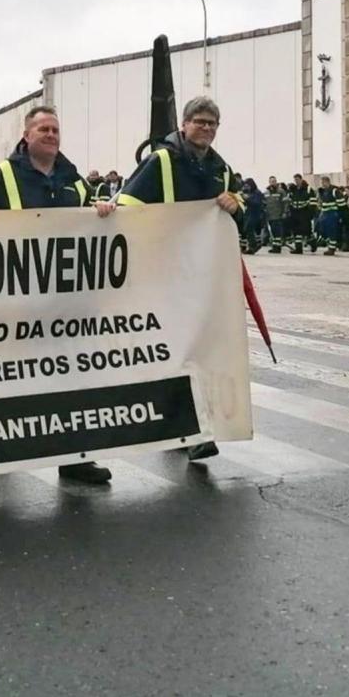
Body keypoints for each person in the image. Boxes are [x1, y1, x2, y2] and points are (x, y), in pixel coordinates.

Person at [0, 105, 115, 486]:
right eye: (43, 129)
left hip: (66, 302)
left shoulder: (73, 178)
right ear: (27, 133)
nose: (51, 135)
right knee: (9, 380)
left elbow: (93, 226)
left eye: (55, 129)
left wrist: (102, 211)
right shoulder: (3, 176)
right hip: (17, 301)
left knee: (71, 381)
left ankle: (74, 458)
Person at [114, 96, 240, 462]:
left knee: (199, 351)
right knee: (176, 352)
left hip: (203, 279)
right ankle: (190, 429)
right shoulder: (161, 162)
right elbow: (128, 210)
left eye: (213, 124)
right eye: (200, 122)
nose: (206, 129)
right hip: (164, 277)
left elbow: (243, 210)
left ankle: (189, 426)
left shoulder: (221, 169)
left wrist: (238, 205)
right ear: (184, 124)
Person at [286, 174, 314, 254]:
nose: (296, 181)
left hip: (304, 212)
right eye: (295, 180)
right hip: (295, 212)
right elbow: (290, 200)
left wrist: (310, 213)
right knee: (296, 231)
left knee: (307, 230)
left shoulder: (308, 189)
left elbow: (313, 202)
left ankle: (313, 243)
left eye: (297, 179)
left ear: (301, 179)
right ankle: (298, 248)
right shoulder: (293, 190)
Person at [264, 176, 288, 252]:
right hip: (269, 215)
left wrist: (285, 212)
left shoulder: (281, 191)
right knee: (273, 232)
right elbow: (264, 203)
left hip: (278, 215)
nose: (272, 183)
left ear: (276, 182)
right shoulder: (266, 192)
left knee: (277, 232)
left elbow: (285, 203)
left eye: (274, 181)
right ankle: (275, 246)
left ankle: (277, 248)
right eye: (271, 181)